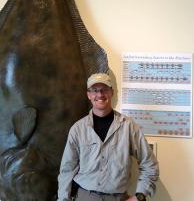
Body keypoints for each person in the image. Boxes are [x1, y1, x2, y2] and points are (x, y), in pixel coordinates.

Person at [57, 73, 159, 201]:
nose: (100, 94)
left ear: (112, 92)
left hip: (117, 197)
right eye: (94, 90)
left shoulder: (128, 126)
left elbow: (150, 165)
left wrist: (139, 196)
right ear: (88, 94)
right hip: (84, 196)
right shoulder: (78, 129)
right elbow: (67, 170)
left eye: (104, 89)